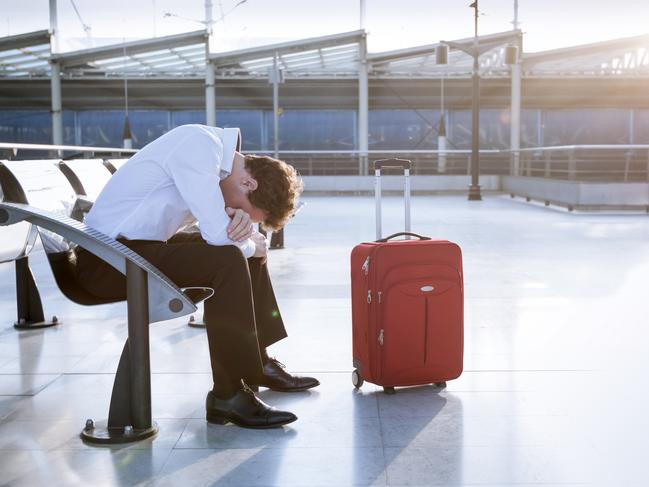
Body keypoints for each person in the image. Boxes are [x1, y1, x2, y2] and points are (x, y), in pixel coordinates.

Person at [75, 124, 318, 429]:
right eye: (240, 208)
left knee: (242, 253)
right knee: (229, 258)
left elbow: (222, 233)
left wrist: (249, 241)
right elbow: (219, 235)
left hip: (133, 249)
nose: (232, 210)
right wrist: (248, 242)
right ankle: (228, 394)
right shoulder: (199, 147)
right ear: (248, 183)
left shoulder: (216, 160)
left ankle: (259, 362)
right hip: (105, 261)